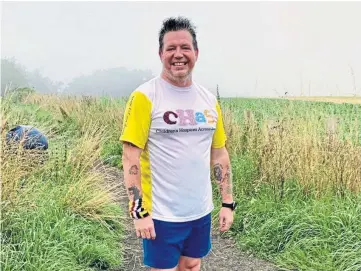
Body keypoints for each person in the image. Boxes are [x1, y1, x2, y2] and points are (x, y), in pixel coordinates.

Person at [120, 16, 236, 271]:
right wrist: (139, 212)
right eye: (171, 48)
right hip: (161, 214)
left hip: (199, 211)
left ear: (196, 52)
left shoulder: (208, 100)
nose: (178, 54)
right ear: (161, 53)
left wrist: (227, 202)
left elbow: (219, 155)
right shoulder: (144, 97)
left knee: (193, 264)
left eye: (185, 47)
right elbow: (131, 157)